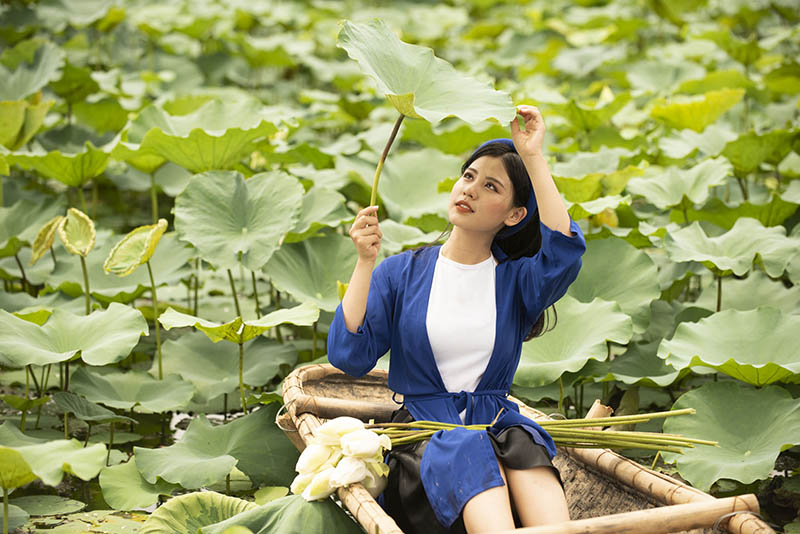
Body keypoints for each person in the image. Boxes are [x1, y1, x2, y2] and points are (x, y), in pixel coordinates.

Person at [327, 105, 587, 533]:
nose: (470, 190)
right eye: (468, 177)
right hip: (424, 441)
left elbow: (562, 250)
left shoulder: (515, 282)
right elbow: (350, 355)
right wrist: (364, 262)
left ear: (514, 214)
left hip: (497, 427)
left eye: (490, 187)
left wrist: (534, 157)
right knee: (467, 447)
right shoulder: (401, 273)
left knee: (524, 440)